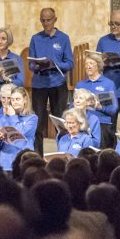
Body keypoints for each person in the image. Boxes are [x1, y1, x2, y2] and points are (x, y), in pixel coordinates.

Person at [28, 8, 74, 154]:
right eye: (43, 20)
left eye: (48, 20)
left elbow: (70, 63)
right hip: (39, 84)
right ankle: (37, 156)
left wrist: (55, 64)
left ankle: (62, 153)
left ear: (55, 19)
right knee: (38, 123)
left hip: (58, 84)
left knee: (60, 122)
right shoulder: (36, 38)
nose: (46, 23)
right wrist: (37, 65)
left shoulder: (63, 38)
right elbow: (30, 63)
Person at [0, 86, 37, 172]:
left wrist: (13, 116)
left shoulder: (32, 118)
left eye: (17, 99)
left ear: (25, 100)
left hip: (23, 161)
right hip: (5, 162)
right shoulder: (5, 117)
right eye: (12, 100)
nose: (15, 102)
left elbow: (20, 132)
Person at [76, 53, 118, 147]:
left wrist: (99, 107)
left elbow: (113, 110)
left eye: (91, 63)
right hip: (83, 122)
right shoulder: (81, 85)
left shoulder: (108, 84)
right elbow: (72, 106)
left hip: (101, 122)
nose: (88, 66)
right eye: (86, 64)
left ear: (98, 65)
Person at [0, 26, 24, 111]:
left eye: (3, 39)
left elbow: (21, 82)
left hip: (11, 99)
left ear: (9, 41)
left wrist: (7, 79)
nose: (0, 41)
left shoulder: (16, 59)